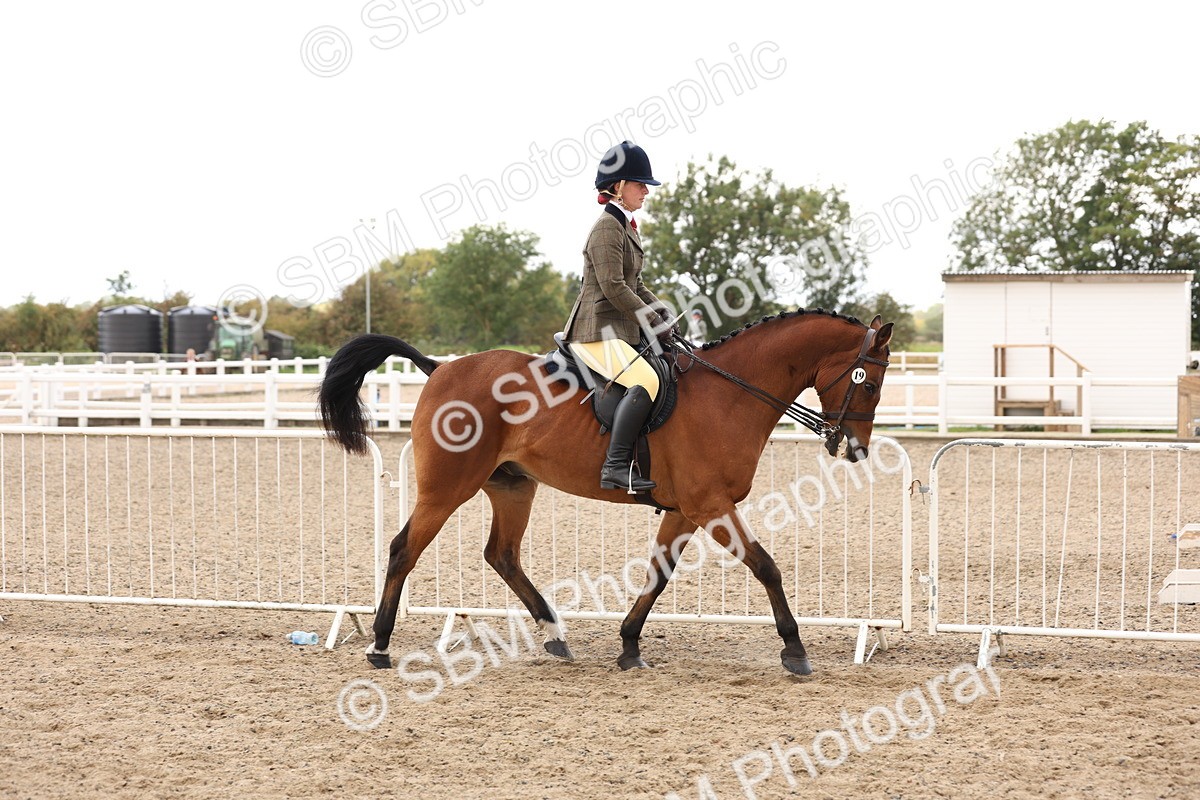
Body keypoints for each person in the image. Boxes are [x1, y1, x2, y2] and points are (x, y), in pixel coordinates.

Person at [563, 140, 674, 493]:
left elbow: (634, 283)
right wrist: (647, 317)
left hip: (618, 329)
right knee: (647, 382)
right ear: (618, 187)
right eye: (640, 183)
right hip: (595, 331)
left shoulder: (626, 226)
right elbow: (612, 286)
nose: (646, 190)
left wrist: (662, 311)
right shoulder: (607, 228)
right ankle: (615, 467)